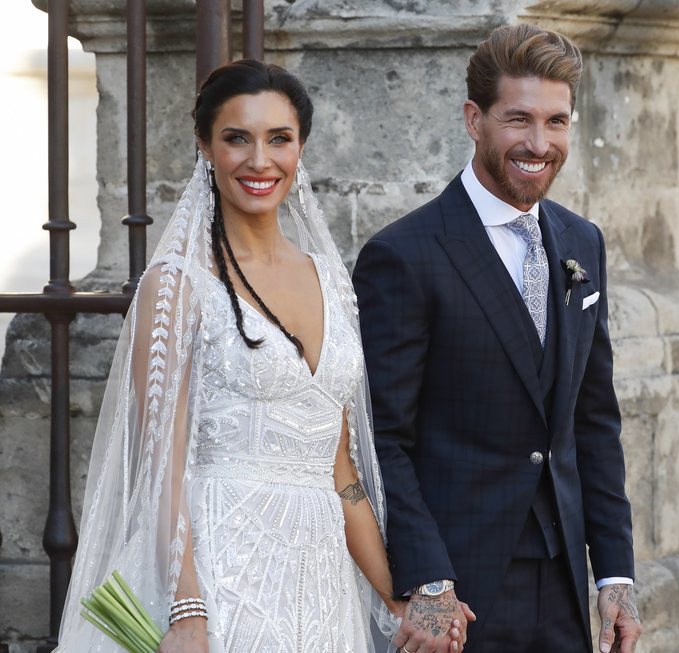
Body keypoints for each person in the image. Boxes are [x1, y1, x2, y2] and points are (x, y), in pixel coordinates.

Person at [54, 60, 469, 653]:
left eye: (280, 139)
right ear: (205, 146)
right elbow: (160, 469)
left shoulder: (329, 279)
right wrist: (188, 608)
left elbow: (341, 471)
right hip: (219, 575)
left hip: (319, 585)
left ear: (300, 147)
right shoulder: (178, 284)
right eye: (237, 138)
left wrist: (395, 596)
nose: (259, 160)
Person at [353, 24, 642, 653]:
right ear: (473, 119)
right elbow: (384, 440)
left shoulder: (582, 242)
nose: (539, 144)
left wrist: (615, 573)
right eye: (518, 120)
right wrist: (427, 579)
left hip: (564, 579)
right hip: (456, 592)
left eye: (557, 122)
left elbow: (593, 420)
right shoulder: (403, 255)